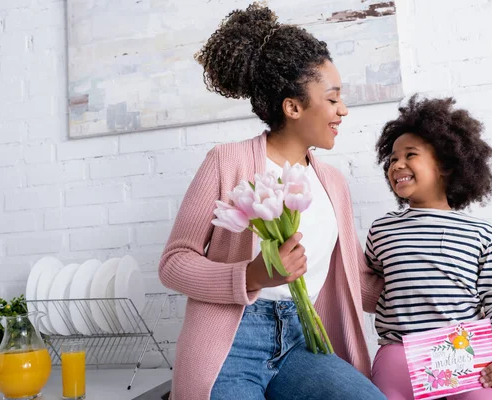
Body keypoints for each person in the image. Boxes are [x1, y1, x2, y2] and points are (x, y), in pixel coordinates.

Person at [159, 4, 386, 399]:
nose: (343, 110)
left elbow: (358, 283)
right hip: (232, 342)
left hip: (302, 340)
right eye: (332, 99)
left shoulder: (333, 183)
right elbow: (174, 263)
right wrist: (250, 276)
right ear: (293, 107)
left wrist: (422, 266)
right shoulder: (226, 161)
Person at [365, 95, 492, 400]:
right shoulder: (381, 230)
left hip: (466, 355)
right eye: (393, 158)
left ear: (446, 165)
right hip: (400, 356)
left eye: (410, 154)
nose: (397, 164)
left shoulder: (483, 234)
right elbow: (367, 284)